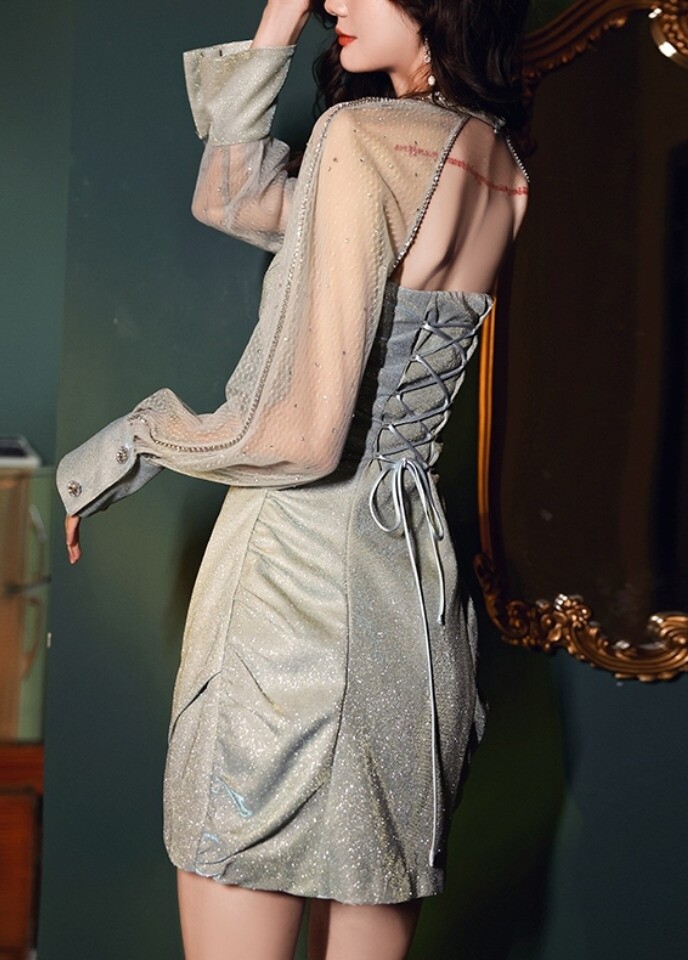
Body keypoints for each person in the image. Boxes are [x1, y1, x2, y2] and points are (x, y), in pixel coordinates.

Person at [57, 0, 529, 957]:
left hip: (290, 591)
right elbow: (234, 200)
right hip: (413, 602)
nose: (333, 3)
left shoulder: (361, 137)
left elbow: (309, 441)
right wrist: (276, 23)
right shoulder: (507, 172)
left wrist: (134, 439)